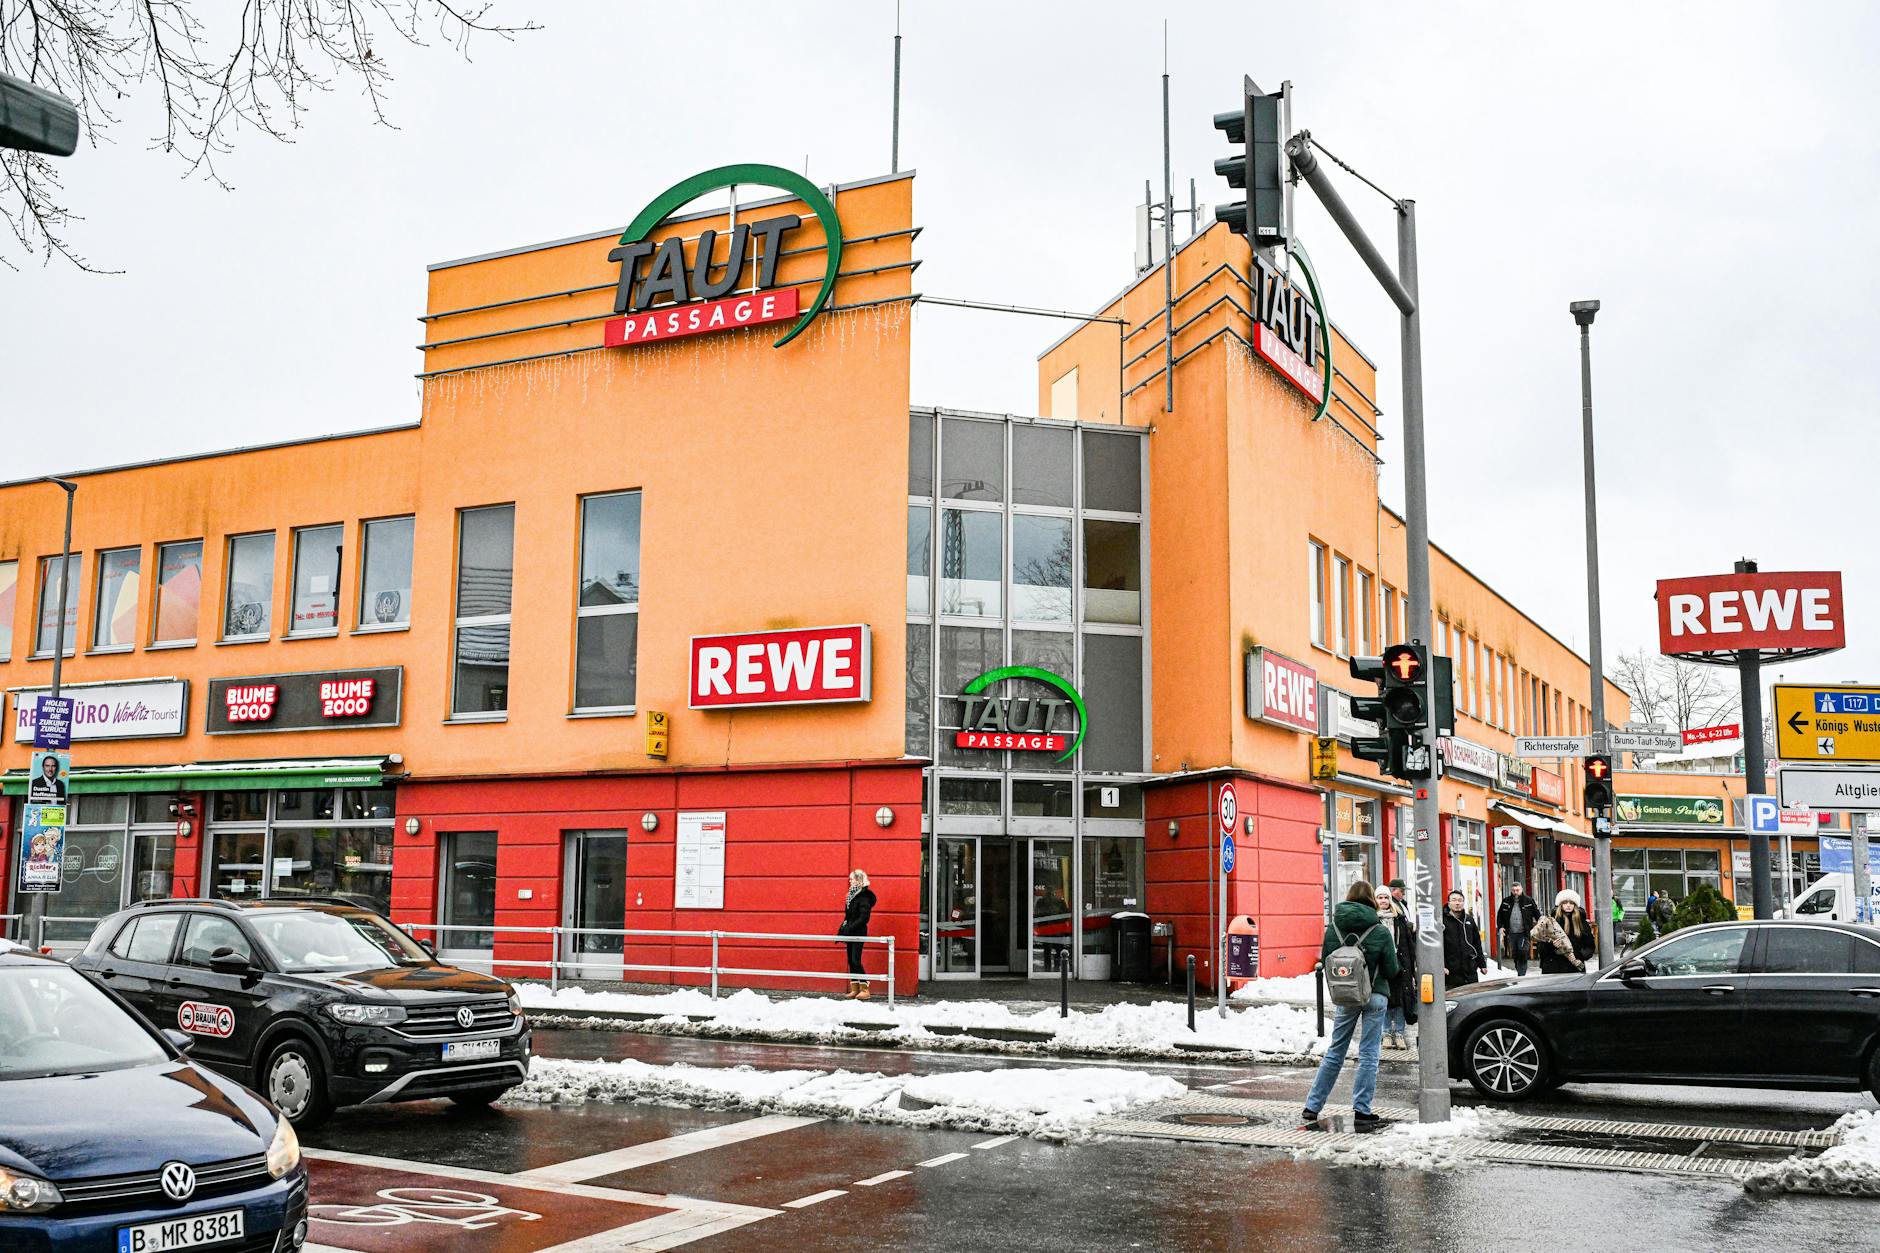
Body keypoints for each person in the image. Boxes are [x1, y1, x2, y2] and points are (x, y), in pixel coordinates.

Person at [1303, 880, 1399, 1129]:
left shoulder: (1333, 928)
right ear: (1371, 900)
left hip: (1346, 996)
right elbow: (1392, 969)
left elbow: (1325, 960)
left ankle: (1312, 1106)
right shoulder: (1379, 931)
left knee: (1336, 1051)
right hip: (1375, 996)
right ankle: (1362, 1110)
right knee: (1369, 1054)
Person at [1375, 890, 1417, 1050]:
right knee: (1384, 1000)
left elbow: (1408, 945)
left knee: (1400, 1001)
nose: (1384, 900)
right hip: (1381, 967)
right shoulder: (1373, 919)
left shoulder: (1399, 919)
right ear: (1375, 899)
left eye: (1386, 897)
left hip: (1400, 966)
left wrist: (1411, 967)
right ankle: (1386, 1034)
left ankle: (1399, 1033)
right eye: (1380, 897)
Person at [838, 869, 877, 1000]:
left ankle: (865, 988)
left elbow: (864, 918)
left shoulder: (863, 897)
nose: (850, 881)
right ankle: (855, 988)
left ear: (859, 880)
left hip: (859, 932)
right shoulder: (851, 895)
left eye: (852, 879)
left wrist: (851, 927)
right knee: (850, 960)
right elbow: (849, 916)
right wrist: (843, 927)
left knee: (856, 960)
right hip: (851, 932)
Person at [1441, 890, 1487, 988]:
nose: (1457, 903)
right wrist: (1442, 965)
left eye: (1460, 900)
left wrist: (1482, 964)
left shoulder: (1469, 920)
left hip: (1470, 969)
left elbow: (1477, 943)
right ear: (1448, 903)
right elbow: (1438, 946)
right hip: (1451, 970)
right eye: (1454, 900)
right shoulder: (1442, 920)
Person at [1496, 881, 1541, 977]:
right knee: (1515, 953)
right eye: (1514, 890)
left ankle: (1522, 974)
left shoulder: (1528, 901)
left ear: (1521, 890)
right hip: (1511, 932)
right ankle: (1519, 968)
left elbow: (1537, 914)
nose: (1516, 892)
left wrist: (1540, 924)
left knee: (1523, 951)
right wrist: (1500, 927)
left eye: (1517, 890)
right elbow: (1500, 916)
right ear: (1511, 891)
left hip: (1524, 932)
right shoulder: (1505, 901)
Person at [1553, 889, 1597, 968]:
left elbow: (1590, 945)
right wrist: (1552, 946)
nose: (1568, 905)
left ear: (1575, 905)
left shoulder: (1581, 922)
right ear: (1560, 905)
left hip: (1575, 965)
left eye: (1571, 903)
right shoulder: (1552, 921)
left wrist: (1581, 956)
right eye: (1565, 902)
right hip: (1554, 966)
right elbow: (1542, 946)